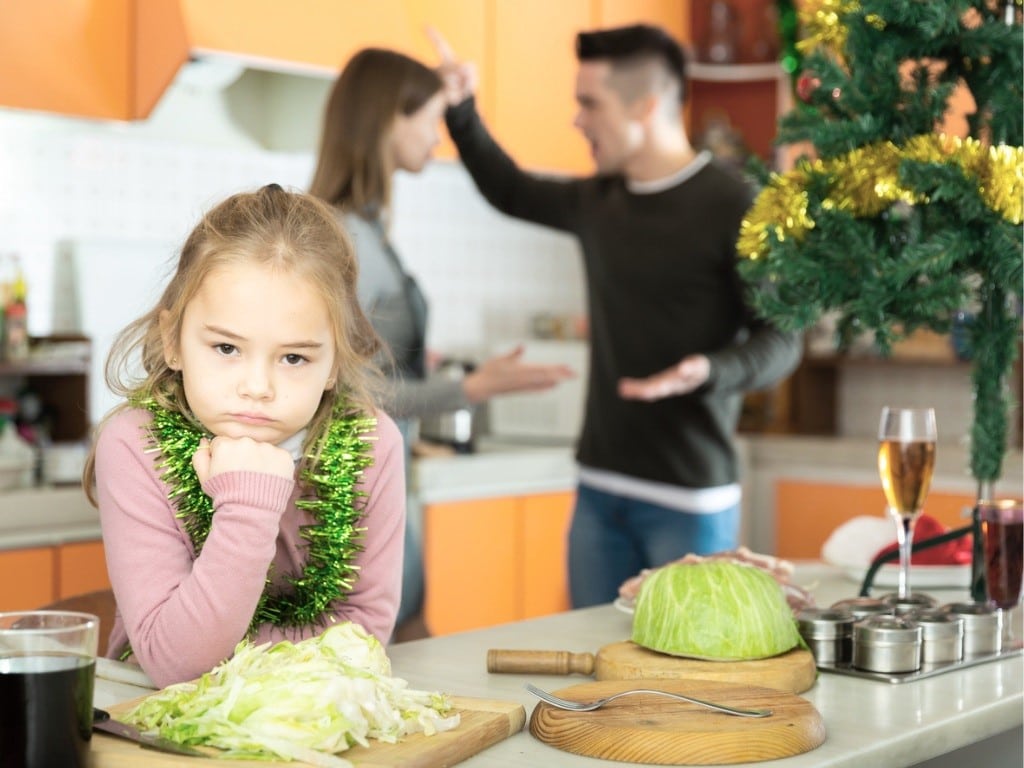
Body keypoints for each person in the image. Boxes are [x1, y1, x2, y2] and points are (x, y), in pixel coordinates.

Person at [431, 24, 802, 607]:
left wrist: (709, 369)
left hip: (690, 499)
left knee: (685, 681)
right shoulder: (600, 201)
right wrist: (461, 110)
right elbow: (510, 189)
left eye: (589, 103)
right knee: (597, 672)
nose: (577, 120)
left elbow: (783, 337)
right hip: (599, 491)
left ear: (647, 105)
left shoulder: (737, 205)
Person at [82, 184, 405, 687]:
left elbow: (364, 638)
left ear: (334, 365)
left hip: (308, 723)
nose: (257, 387)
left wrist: (229, 653)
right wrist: (249, 509)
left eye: (294, 358)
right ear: (173, 341)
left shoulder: (371, 444)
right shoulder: (133, 444)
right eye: (227, 348)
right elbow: (175, 664)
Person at [308, 48, 575, 639]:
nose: (437, 138)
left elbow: (368, 365)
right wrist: (471, 388)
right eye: (429, 120)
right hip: (352, 498)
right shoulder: (347, 237)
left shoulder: (362, 230)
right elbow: (354, 393)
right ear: (387, 120)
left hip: (378, 482)